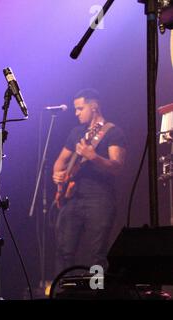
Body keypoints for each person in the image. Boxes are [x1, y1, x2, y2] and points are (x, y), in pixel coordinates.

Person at [52, 89, 127, 275]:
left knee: (97, 255)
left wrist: (93, 157)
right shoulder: (76, 132)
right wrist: (58, 176)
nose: (76, 113)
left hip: (100, 198)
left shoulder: (113, 132)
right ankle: (62, 292)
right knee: (64, 252)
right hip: (73, 197)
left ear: (94, 107)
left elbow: (117, 167)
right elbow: (60, 161)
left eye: (80, 108)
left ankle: (98, 293)